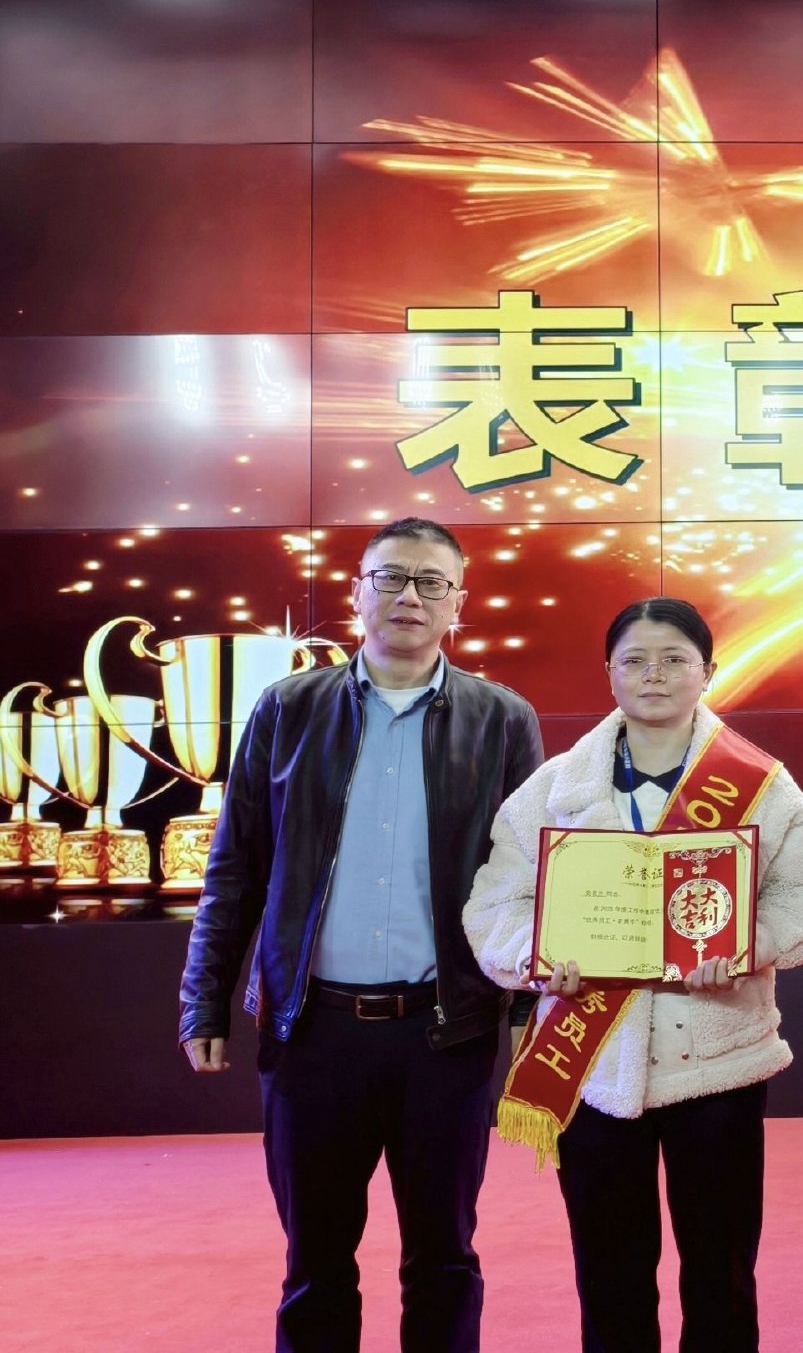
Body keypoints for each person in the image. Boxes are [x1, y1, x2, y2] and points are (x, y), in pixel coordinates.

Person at [178, 516, 544, 1353]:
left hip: (445, 1033)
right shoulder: (287, 708)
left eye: (431, 582)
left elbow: (531, 879)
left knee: (444, 1260)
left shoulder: (502, 719)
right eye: (390, 577)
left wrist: (526, 1013)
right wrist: (203, 999)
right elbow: (234, 866)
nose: (409, 596)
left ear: (458, 604)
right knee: (314, 1264)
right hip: (313, 1033)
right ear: (357, 592)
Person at [464, 597, 803, 1353]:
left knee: (721, 1275)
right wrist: (536, 956)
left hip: (720, 1064)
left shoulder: (761, 785)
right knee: (610, 1279)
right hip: (595, 1068)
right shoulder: (552, 789)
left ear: (708, 671)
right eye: (634, 660)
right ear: (609, 673)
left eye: (675, 659)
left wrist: (747, 946)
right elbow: (495, 905)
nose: (654, 675)